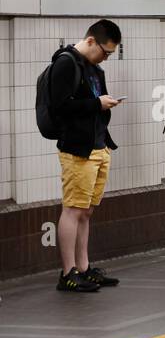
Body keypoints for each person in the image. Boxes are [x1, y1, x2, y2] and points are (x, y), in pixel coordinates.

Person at [47, 19, 123, 291]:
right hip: (78, 149)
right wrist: (96, 103)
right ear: (91, 41)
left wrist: (104, 103)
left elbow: (92, 103)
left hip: (98, 146)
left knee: (86, 211)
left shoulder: (94, 69)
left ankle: (84, 267)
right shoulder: (66, 63)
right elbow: (60, 106)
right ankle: (67, 273)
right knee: (73, 209)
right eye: (105, 51)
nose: (106, 57)